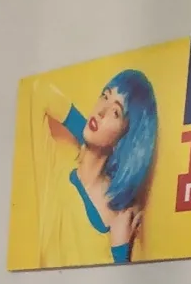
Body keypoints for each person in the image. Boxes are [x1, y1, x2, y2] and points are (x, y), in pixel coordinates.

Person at [26, 69, 159, 268]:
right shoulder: (54, 169)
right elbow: (40, 91)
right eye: (105, 96)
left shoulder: (122, 218)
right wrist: (89, 136)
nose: (101, 111)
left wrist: (120, 252)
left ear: (125, 139)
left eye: (115, 112)